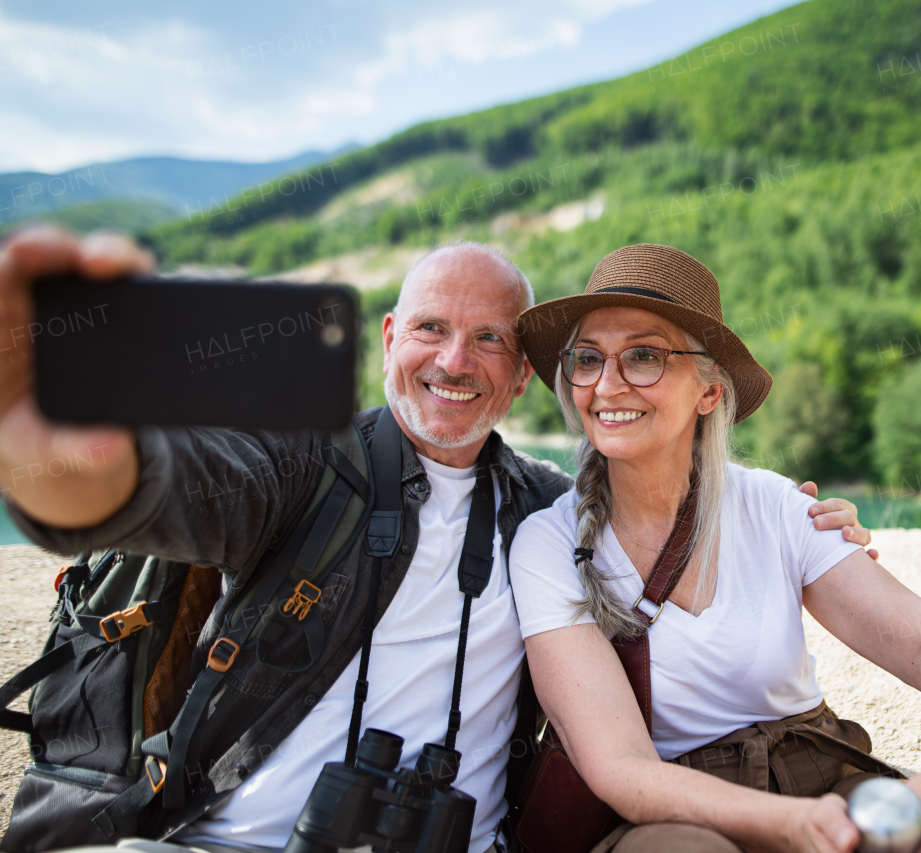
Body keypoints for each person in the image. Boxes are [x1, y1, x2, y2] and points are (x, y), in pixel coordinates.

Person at [0, 226, 873, 853]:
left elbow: (671, 524)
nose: (456, 361)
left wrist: (797, 523)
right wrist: (46, 443)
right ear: (389, 340)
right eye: (430, 328)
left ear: (523, 375)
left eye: (490, 337)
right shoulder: (302, 462)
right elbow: (158, 485)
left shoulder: (552, 514)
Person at [509, 244, 921, 853]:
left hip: (815, 777)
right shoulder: (550, 544)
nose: (608, 383)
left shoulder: (776, 508)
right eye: (587, 359)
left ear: (709, 392)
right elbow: (622, 770)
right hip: (676, 814)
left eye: (644, 355)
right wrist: (797, 830)